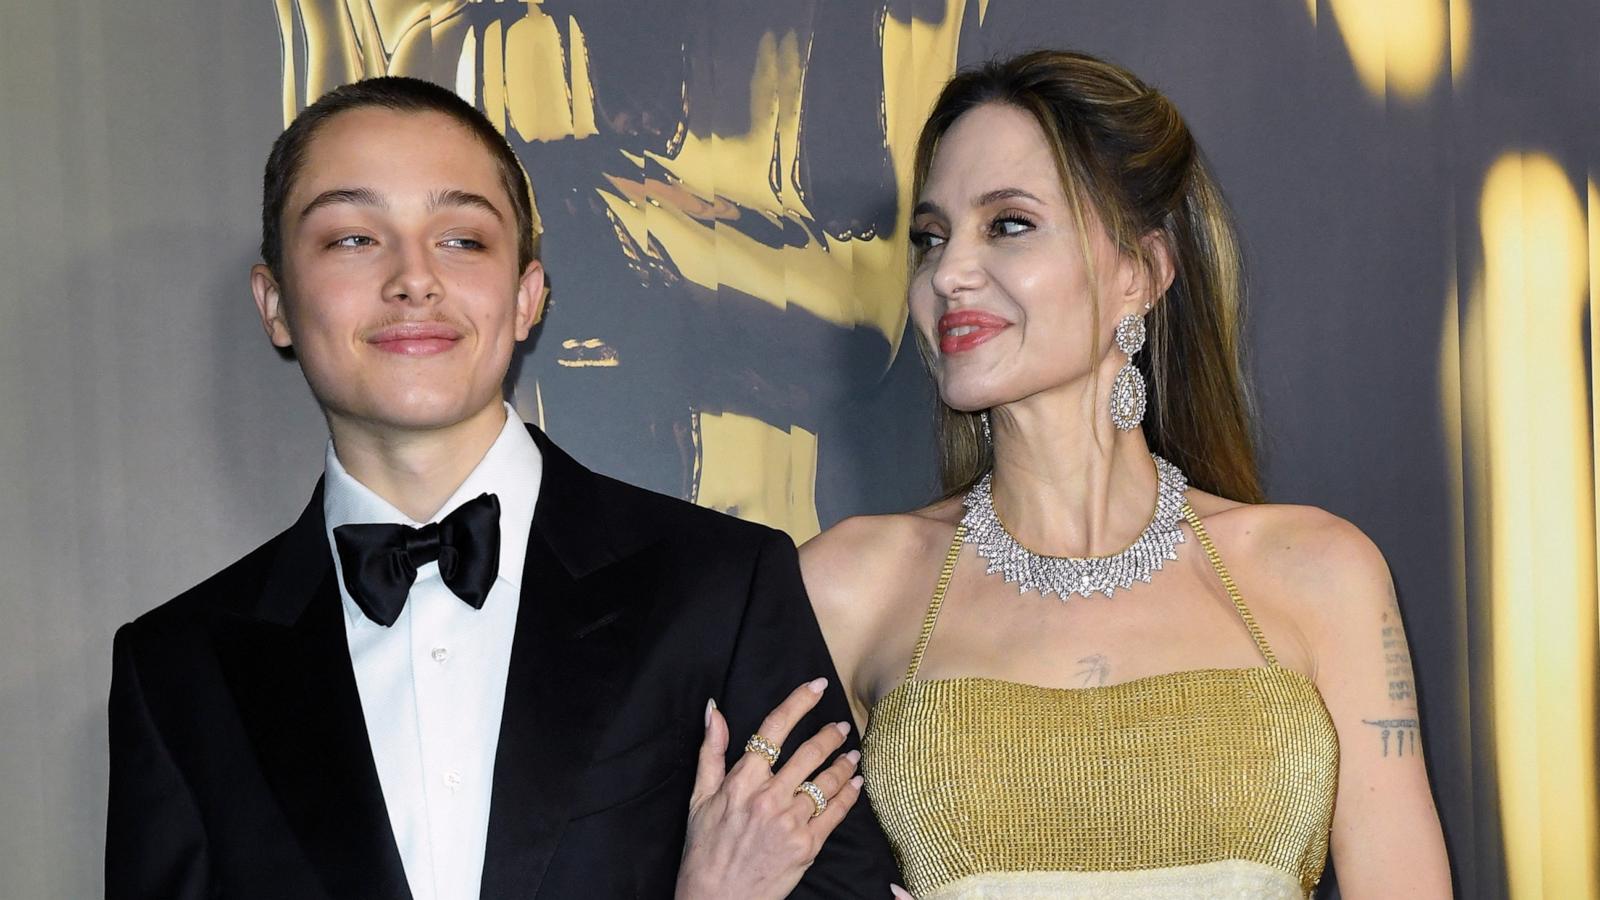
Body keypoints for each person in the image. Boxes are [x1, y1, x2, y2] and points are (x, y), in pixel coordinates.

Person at [104, 75, 899, 899]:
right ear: (275, 305)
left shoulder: (721, 588)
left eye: (462, 240)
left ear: (527, 296)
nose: (414, 278)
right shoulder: (178, 671)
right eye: (351, 239)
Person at [794, 51, 1453, 897]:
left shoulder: (1319, 572)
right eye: (931, 238)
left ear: (1140, 273)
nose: (947, 273)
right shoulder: (852, 583)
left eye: (1008, 224)